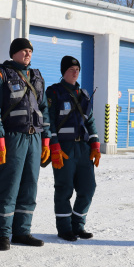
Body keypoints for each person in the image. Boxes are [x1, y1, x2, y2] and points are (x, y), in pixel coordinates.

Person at [0, 38, 51, 251]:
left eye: (30, 51)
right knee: (8, 185)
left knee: (29, 185)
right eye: (23, 51)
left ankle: (22, 231)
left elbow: (43, 109)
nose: (27, 54)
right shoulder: (0, 75)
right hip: (12, 137)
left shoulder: (37, 76)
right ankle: (3, 233)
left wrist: (47, 140)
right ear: (13, 53)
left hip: (34, 138)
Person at [46, 56, 101, 241]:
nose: (75, 71)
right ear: (63, 71)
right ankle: (64, 228)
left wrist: (95, 144)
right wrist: (54, 146)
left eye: (77, 68)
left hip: (83, 148)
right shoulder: (54, 92)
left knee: (88, 187)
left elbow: (90, 121)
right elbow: (50, 122)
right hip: (64, 149)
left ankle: (78, 224)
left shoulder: (84, 94)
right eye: (71, 69)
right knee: (64, 188)